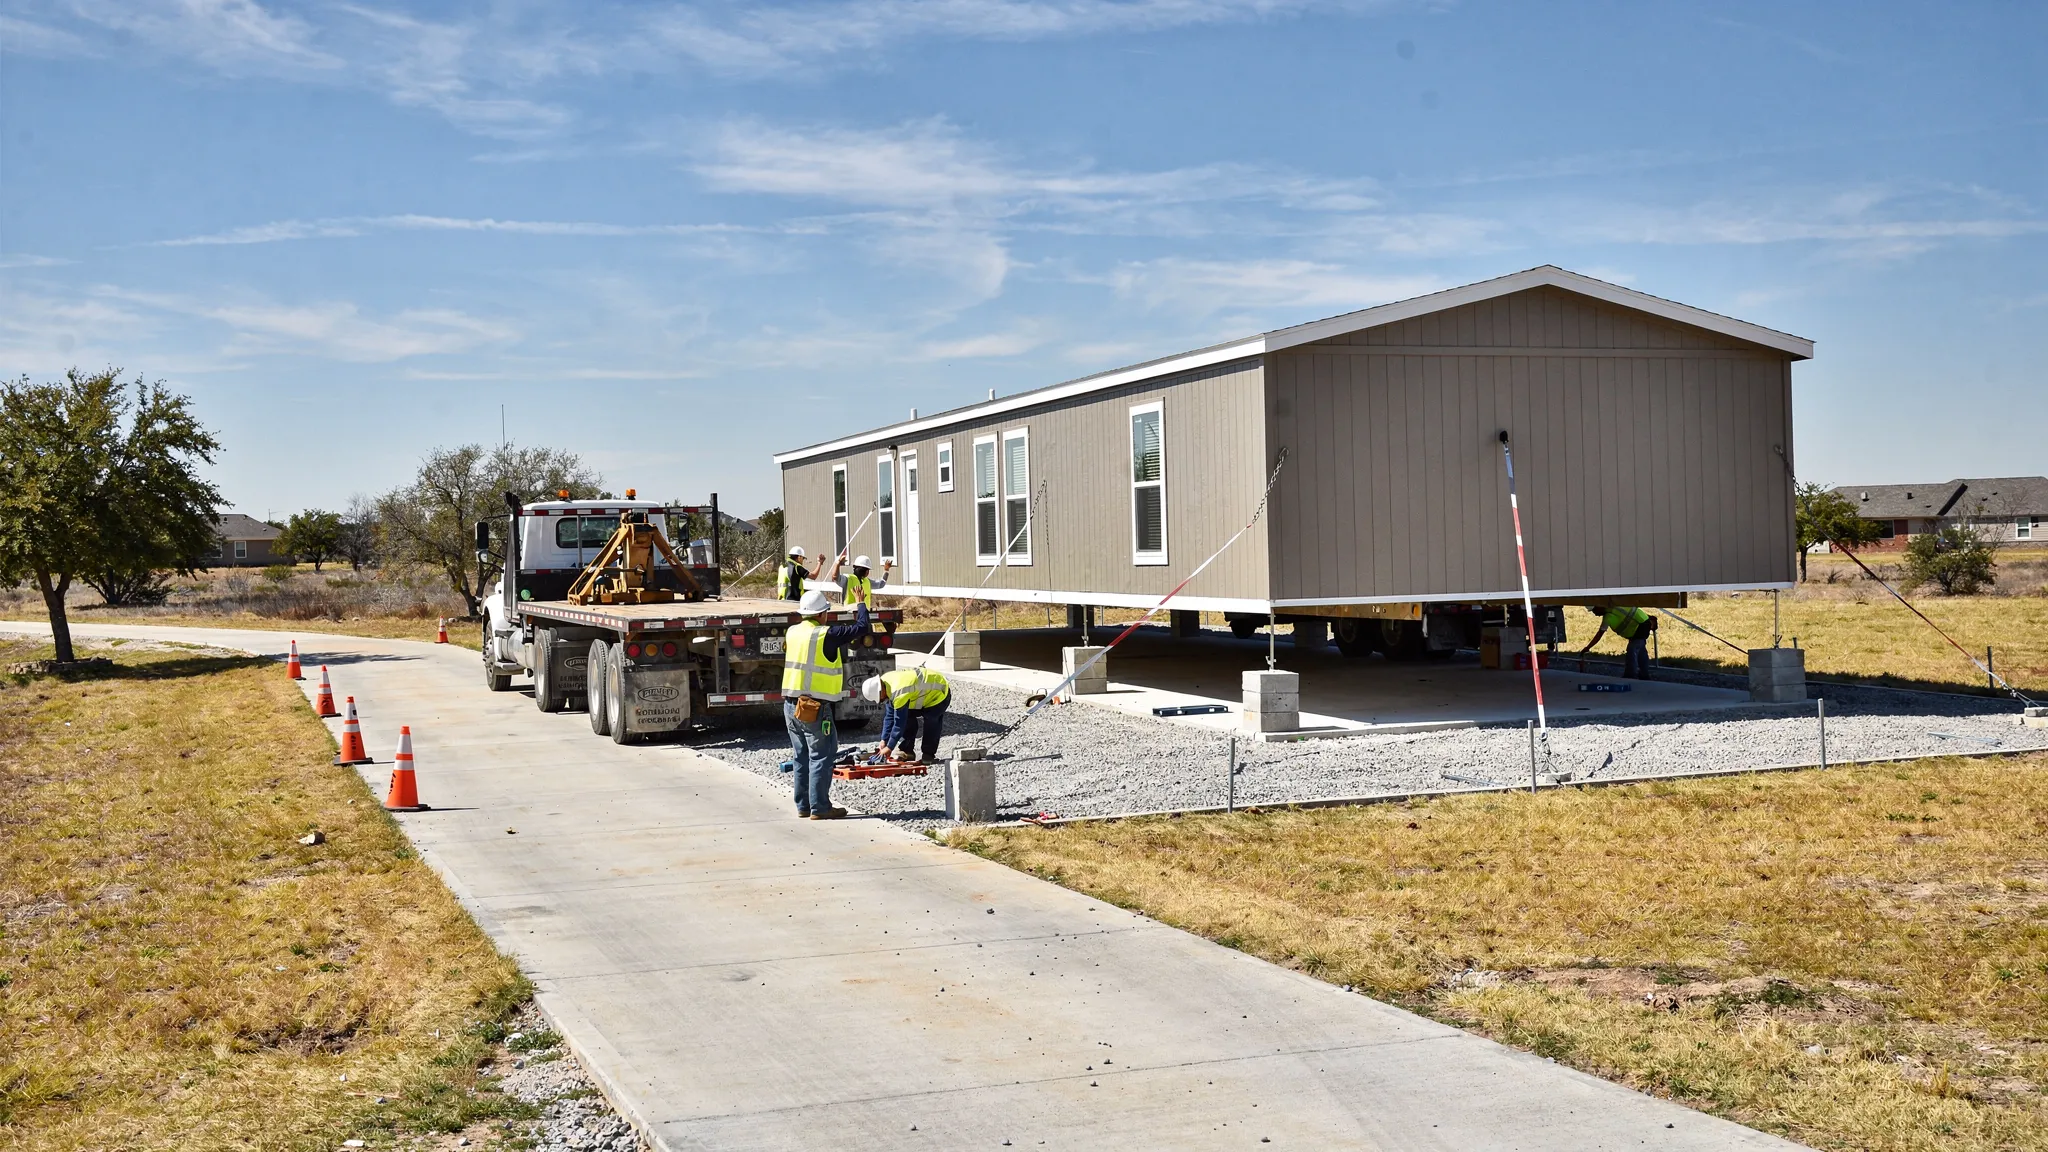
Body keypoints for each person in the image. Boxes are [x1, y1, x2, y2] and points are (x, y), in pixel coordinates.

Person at [781, 589, 871, 820]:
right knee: (821, 755)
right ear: (822, 614)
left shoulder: (792, 632)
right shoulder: (825, 634)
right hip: (814, 706)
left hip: (791, 705)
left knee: (801, 756)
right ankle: (820, 808)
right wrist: (861, 603)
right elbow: (861, 627)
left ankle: (803, 806)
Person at [862, 666, 951, 765]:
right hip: (921, 695)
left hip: (938, 692)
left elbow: (899, 724)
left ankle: (928, 754)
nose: (881, 701)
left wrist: (889, 747)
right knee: (907, 716)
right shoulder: (885, 682)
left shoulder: (898, 692)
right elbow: (889, 716)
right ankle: (907, 751)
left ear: (880, 690)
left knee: (931, 721)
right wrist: (884, 740)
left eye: (880, 698)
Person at [1580, 605, 1658, 678]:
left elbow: (1599, 635)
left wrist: (1588, 647)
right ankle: (1644, 675)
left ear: (1599, 606)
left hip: (1640, 626)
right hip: (1640, 626)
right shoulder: (1609, 615)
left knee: (1632, 650)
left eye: (1594, 610)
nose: (1595, 614)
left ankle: (1631, 675)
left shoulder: (1612, 610)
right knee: (1640, 650)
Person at [827, 553, 893, 609]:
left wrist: (886, 570)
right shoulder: (848, 579)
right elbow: (835, 577)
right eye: (866, 570)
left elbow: (881, 584)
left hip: (863, 615)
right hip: (851, 615)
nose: (867, 572)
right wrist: (837, 563)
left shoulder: (866, 581)